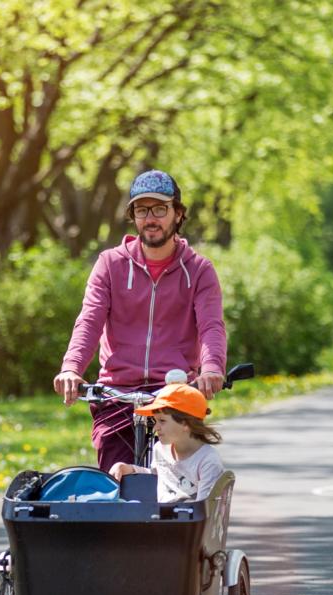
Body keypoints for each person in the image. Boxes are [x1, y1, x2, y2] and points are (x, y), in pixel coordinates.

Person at [53, 169, 227, 472]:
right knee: (115, 477)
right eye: (142, 210)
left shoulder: (199, 270)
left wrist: (212, 369)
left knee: (178, 482)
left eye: (160, 209)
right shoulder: (111, 264)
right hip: (117, 390)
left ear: (178, 214)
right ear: (133, 216)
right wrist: (71, 368)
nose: (151, 218)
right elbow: (90, 320)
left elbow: (211, 325)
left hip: (173, 390)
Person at [109, 382, 224, 502]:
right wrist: (128, 468)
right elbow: (157, 474)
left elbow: (205, 510)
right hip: (160, 518)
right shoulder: (160, 449)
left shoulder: (208, 461)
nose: (155, 428)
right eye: (155, 421)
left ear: (185, 423)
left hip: (187, 519)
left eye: (162, 421)